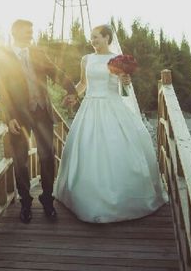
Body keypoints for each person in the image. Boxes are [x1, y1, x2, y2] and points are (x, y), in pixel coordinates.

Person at [53, 24, 168, 223]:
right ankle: (82, 199)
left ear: (107, 38)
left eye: (97, 37)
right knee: (86, 151)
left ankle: (119, 200)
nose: (93, 40)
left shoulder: (117, 60)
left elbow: (123, 93)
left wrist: (126, 83)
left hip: (112, 107)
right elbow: (83, 84)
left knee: (114, 150)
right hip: (89, 108)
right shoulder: (86, 59)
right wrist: (73, 95)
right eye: (92, 37)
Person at [0, 19, 78, 223]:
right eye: (26, 31)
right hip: (19, 116)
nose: (30, 34)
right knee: (20, 161)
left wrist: (71, 90)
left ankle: (48, 200)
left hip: (41, 112)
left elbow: (55, 72)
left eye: (32, 31)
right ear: (15, 32)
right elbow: (1, 89)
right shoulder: (3, 56)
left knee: (48, 155)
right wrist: (9, 117)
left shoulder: (38, 52)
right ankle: (26, 203)